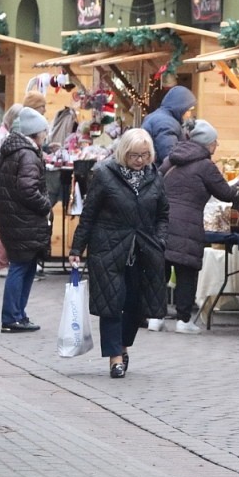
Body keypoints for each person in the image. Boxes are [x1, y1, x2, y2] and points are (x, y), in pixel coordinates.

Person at [69, 128, 169, 379]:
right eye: (135, 155)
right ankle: (115, 357)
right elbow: (89, 214)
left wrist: (159, 240)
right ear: (124, 153)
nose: (141, 161)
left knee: (135, 304)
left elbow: (163, 214)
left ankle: (123, 346)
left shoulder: (154, 176)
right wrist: (76, 249)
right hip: (108, 248)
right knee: (112, 303)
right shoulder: (104, 174)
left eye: (145, 155)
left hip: (143, 250)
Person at [159, 120, 239, 334]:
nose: (216, 145)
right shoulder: (205, 166)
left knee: (160, 270)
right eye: (214, 142)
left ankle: (155, 317)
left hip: (163, 222)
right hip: (188, 225)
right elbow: (227, 194)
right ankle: (183, 321)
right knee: (186, 271)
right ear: (207, 144)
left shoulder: (170, 159)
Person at [0, 106, 53, 333]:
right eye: (43, 132)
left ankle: (18, 314)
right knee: (21, 266)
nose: (45, 136)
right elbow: (28, 189)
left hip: (13, 217)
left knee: (23, 265)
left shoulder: (11, 151)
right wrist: (45, 205)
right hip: (24, 219)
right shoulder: (28, 154)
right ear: (35, 133)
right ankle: (12, 316)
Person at [0, 103, 24, 277]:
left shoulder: (2, 133)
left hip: (1, 184)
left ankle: (2, 262)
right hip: (4, 185)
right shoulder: (4, 136)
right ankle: (1, 263)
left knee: (4, 223)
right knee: (4, 224)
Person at [141, 84, 195, 165]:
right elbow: (170, 158)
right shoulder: (167, 123)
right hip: (159, 174)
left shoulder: (157, 116)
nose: (189, 115)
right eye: (188, 110)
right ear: (180, 107)